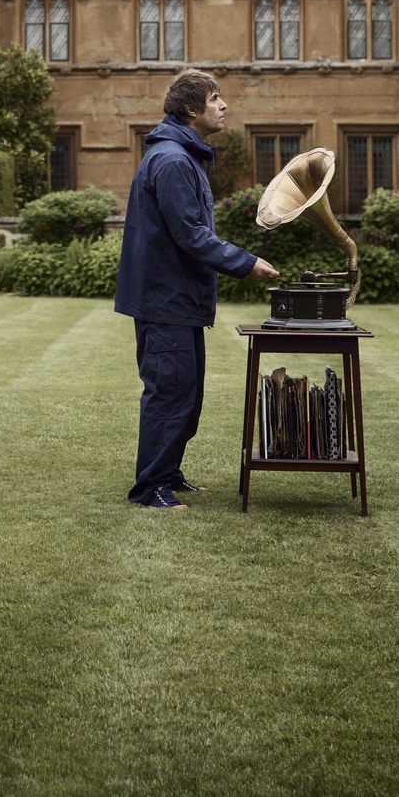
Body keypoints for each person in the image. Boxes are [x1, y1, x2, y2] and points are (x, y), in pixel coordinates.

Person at [115, 69, 278, 510]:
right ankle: (150, 490)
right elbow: (191, 235)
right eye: (215, 97)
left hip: (178, 300)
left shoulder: (183, 157)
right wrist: (247, 264)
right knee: (169, 393)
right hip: (165, 300)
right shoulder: (171, 161)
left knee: (186, 395)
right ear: (192, 109)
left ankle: (168, 473)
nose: (224, 105)